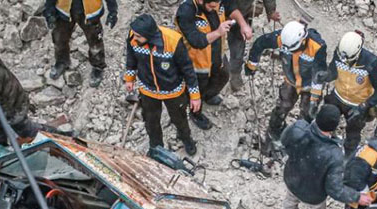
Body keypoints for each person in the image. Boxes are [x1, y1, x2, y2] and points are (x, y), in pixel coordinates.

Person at [278, 105, 372, 209]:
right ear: (334, 127)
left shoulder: (299, 129)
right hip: (313, 193)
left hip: (292, 179)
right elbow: (334, 189)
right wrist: (357, 197)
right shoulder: (334, 154)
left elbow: (284, 141)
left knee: (289, 202)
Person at [124, 14, 201, 156]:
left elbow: (187, 69)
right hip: (148, 91)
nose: (134, 38)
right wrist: (129, 78)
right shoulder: (133, 38)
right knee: (151, 122)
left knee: (180, 119)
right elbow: (131, 59)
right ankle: (156, 147)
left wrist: (195, 96)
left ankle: (186, 139)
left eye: (138, 36)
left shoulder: (173, 41)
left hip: (173, 91)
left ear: (149, 35)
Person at [245, 20, 327, 146]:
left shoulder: (317, 46)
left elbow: (319, 74)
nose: (290, 51)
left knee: (307, 115)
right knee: (282, 108)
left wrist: (314, 99)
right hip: (291, 81)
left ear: (303, 40)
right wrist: (252, 65)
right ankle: (273, 136)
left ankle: (300, 142)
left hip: (310, 85)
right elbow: (260, 43)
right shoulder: (282, 38)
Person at [176, 0, 252, 130]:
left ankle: (209, 96)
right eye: (211, 6)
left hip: (217, 55)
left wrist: (243, 24)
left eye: (218, 5)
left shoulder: (217, 2)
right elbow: (196, 41)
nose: (215, 8)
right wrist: (218, 32)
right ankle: (196, 114)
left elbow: (231, 7)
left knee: (223, 76)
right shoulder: (186, 12)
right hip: (197, 62)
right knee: (197, 90)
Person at [323, 31, 377, 156]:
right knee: (327, 120)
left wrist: (365, 106)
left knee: (353, 133)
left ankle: (348, 157)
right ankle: (327, 143)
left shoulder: (371, 62)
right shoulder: (340, 52)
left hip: (357, 104)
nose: (346, 62)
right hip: (338, 96)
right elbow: (333, 72)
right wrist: (325, 76)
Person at [44, 0, 117, 87]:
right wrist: (49, 10)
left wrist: (113, 11)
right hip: (64, 10)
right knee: (59, 39)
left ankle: (98, 66)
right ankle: (62, 61)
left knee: (95, 43)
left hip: (90, 12)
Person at [229, 0, 280, 92]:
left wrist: (271, 11)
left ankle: (235, 72)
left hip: (242, 10)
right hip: (215, 9)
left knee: (238, 40)